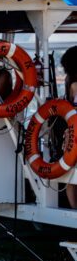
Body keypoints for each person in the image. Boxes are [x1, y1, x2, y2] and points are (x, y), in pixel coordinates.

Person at [61, 46, 77, 208]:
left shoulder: (70, 83)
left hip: (72, 130)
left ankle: (74, 209)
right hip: (75, 130)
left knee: (71, 169)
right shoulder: (74, 85)